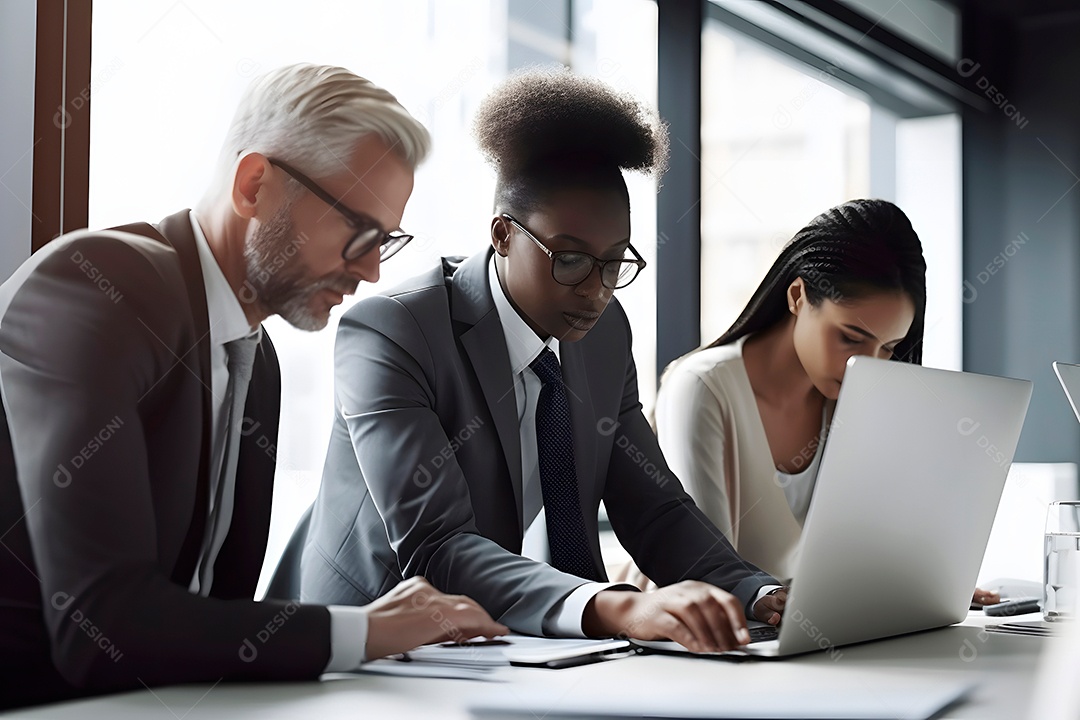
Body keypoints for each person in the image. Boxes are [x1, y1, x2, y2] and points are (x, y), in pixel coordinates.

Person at [0, 64, 505, 710]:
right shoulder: (95, 289)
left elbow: (218, 615)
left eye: (388, 241)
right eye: (360, 233)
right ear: (255, 185)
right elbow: (102, 628)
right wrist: (367, 629)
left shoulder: (256, 359)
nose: (374, 271)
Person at [300, 68, 787, 654]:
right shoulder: (394, 331)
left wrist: (756, 592)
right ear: (503, 234)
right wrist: (619, 605)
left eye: (614, 263)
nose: (596, 290)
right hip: (374, 653)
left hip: (515, 646)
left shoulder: (605, 334)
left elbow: (652, 506)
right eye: (571, 259)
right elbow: (436, 546)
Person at [627, 199, 997, 605]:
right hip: (697, 642)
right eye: (851, 337)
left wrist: (924, 584)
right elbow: (708, 575)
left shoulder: (854, 400)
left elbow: (867, 557)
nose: (866, 364)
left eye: (889, 347)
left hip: (801, 634)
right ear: (799, 296)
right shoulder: (702, 387)